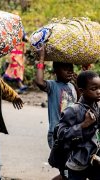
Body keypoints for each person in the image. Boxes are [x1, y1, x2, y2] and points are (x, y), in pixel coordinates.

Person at [35, 46, 77, 179]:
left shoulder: (72, 87)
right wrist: (42, 58)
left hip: (72, 134)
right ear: (56, 71)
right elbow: (39, 82)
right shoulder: (53, 86)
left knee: (68, 172)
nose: (69, 71)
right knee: (67, 172)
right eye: (65, 69)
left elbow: (81, 102)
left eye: (71, 68)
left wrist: (78, 81)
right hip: (57, 135)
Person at [56, 70, 100, 180]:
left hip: (94, 160)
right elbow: (61, 135)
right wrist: (83, 125)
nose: (99, 92)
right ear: (82, 91)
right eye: (94, 89)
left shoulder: (96, 106)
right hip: (77, 163)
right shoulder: (73, 110)